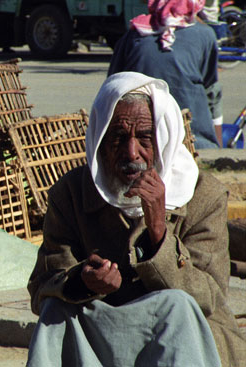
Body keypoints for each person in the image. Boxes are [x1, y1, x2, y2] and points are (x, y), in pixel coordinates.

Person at [26, 72, 246, 366]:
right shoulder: (71, 194)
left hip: (186, 338)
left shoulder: (203, 196)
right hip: (103, 336)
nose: (132, 153)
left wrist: (158, 233)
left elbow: (209, 298)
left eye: (145, 137)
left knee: (177, 304)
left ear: (164, 139)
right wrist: (83, 281)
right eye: (118, 137)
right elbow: (43, 284)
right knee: (56, 309)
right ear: (101, 141)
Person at [108, 0, 222, 149]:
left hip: (139, 142)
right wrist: (218, 146)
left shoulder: (133, 35)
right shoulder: (205, 34)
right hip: (195, 140)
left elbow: (111, 90)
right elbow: (212, 91)